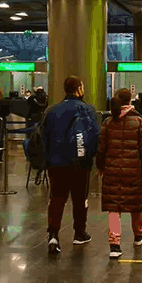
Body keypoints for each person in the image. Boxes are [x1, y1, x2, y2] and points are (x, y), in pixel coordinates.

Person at [40, 76, 100, 254]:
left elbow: (43, 137)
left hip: (56, 164)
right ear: (79, 89)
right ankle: (79, 233)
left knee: (57, 199)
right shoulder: (87, 109)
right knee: (80, 199)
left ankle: (53, 235)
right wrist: (91, 158)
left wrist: (48, 159)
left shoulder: (51, 111)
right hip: (80, 164)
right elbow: (94, 137)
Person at [97, 89, 142, 259]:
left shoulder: (108, 122)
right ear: (130, 101)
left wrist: (100, 167)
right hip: (134, 170)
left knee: (114, 208)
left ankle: (114, 245)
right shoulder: (138, 121)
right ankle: (139, 233)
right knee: (135, 203)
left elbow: (101, 149)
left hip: (112, 170)